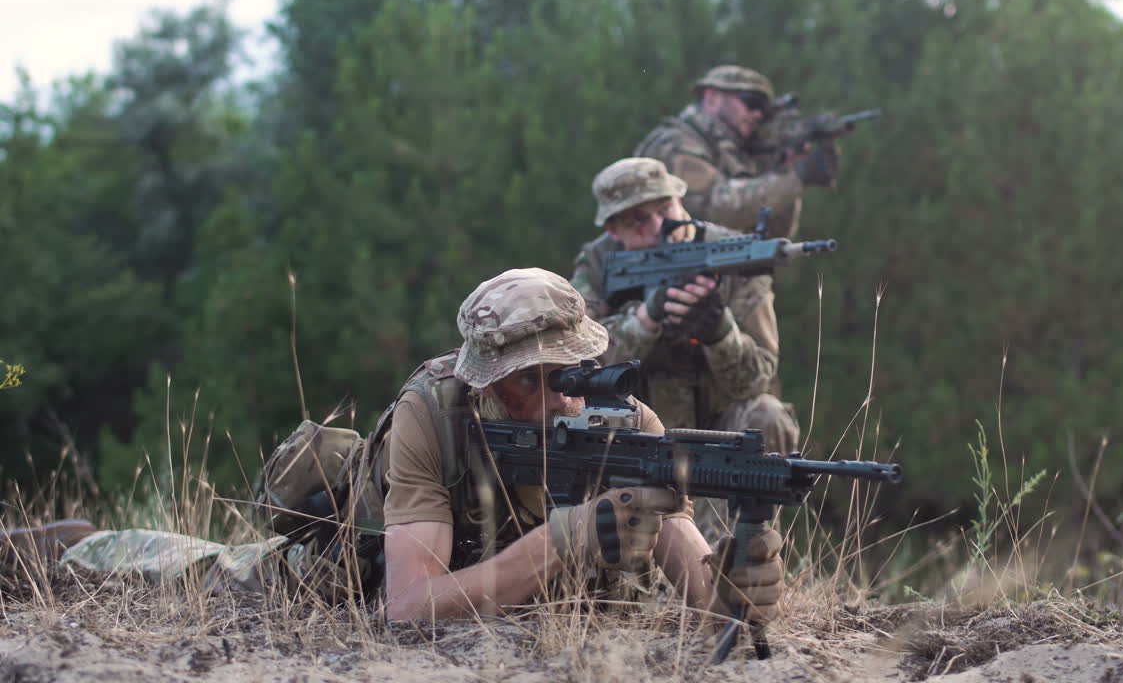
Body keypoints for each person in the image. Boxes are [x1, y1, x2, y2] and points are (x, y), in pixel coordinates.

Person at [4, 269, 784, 628]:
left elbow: (706, 595)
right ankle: (59, 545)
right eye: (530, 383)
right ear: (485, 385)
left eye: (569, 377)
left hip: (499, 588)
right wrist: (560, 542)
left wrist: (744, 578)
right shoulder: (432, 413)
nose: (558, 400)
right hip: (338, 576)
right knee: (181, 568)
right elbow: (407, 608)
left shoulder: (628, 428)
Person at [570, 158, 801, 457]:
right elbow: (579, 367)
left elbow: (756, 381)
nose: (658, 228)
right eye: (637, 220)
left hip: (719, 427)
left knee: (767, 415)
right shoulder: (598, 265)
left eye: (665, 209)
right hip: (634, 430)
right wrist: (644, 320)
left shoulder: (736, 255)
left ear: (680, 201)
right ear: (613, 229)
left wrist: (719, 333)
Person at [634, 64, 837, 239]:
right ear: (712, 97)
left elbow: (774, 233)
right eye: (751, 102)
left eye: (764, 109)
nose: (757, 114)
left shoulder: (737, 154)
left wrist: (786, 168)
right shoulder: (676, 143)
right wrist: (795, 178)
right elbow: (713, 212)